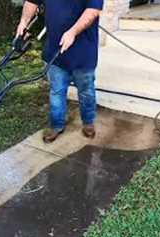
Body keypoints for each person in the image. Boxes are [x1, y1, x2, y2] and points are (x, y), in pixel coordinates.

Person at [17, 0, 103, 143]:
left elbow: (93, 10)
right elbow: (32, 2)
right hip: (54, 50)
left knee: (86, 90)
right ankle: (56, 125)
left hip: (83, 51)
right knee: (56, 90)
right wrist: (23, 22)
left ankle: (88, 122)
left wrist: (72, 32)